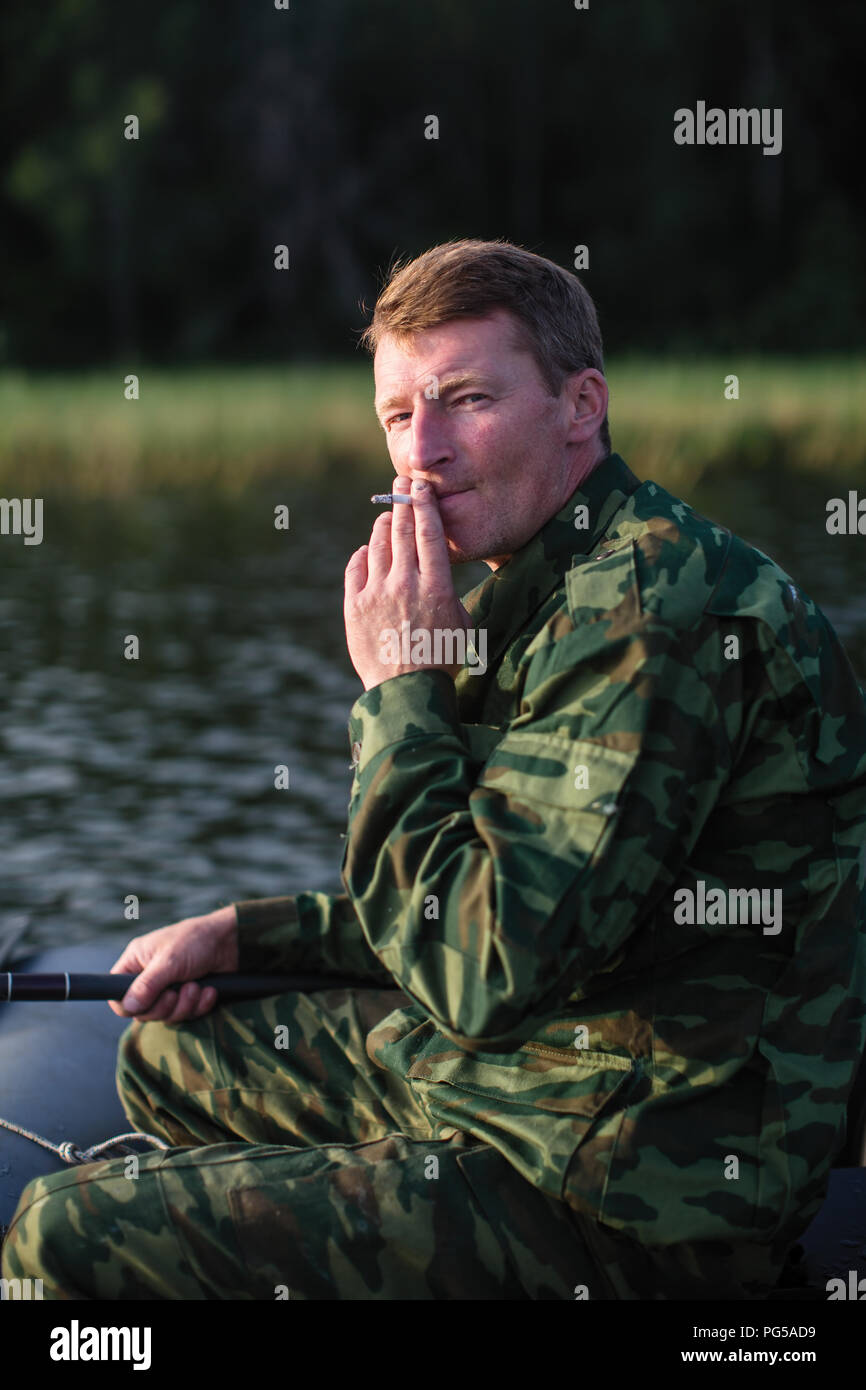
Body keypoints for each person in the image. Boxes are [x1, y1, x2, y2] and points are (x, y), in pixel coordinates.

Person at [3, 238, 866, 1300]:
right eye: (399, 416)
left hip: (628, 1186)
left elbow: (480, 970)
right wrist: (254, 930)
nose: (423, 452)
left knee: (61, 1233)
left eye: (464, 399)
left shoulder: (647, 612)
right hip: (537, 1074)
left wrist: (401, 688)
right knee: (170, 1053)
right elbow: (480, 883)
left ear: (579, 405)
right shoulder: (537, 586)